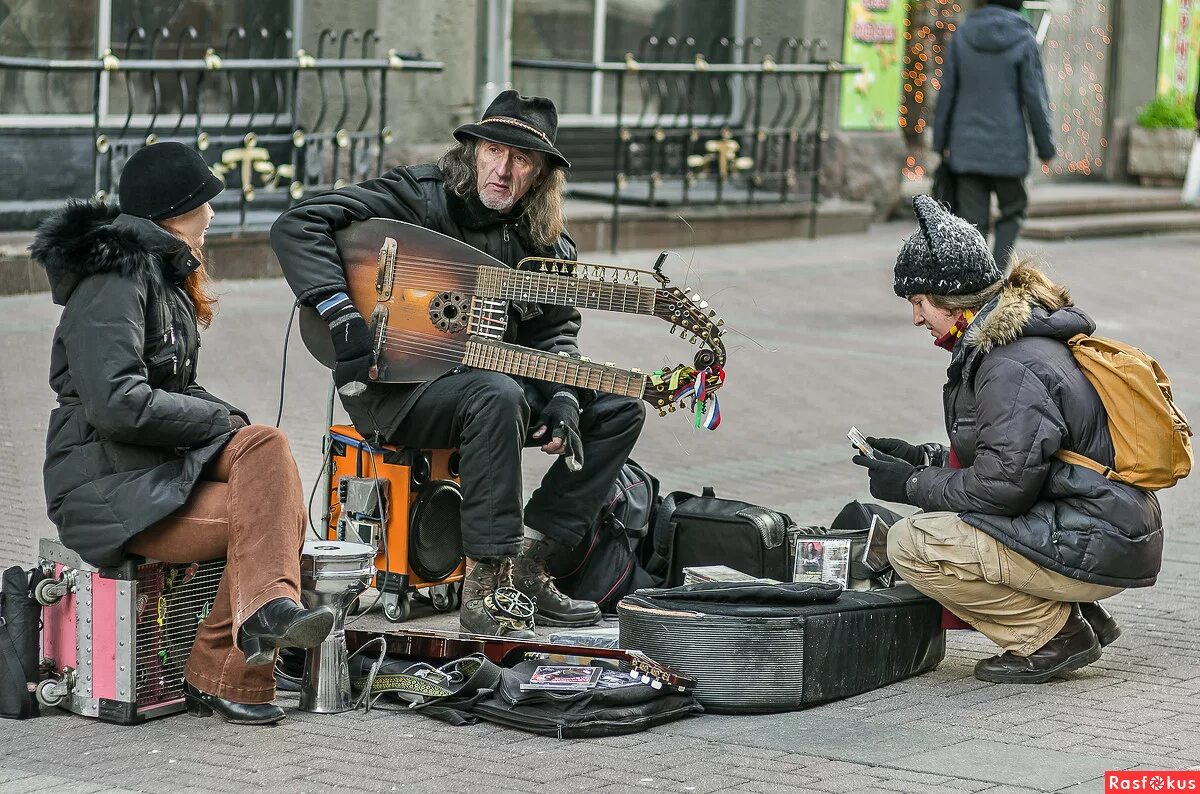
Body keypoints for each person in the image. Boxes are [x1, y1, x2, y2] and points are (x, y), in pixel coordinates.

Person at [270, 90, 646, 637]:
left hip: (499, 391)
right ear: (473, 152)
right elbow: (298, 225)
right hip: (400, 392)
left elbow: (555, 334)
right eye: (494, 151)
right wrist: (342, 315)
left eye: (521, 160)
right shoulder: (422, 199)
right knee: (497, 392)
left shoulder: (549, 246)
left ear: (540, 175)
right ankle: (483, 587)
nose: (503, 169)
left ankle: (527, 567)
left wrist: (564, 395)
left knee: (618, 408)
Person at [32, 142, 335, 724]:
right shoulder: (112, 281)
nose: (213, 214)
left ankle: (265, 612)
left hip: (153, 474)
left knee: (266, 448)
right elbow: (116, 403)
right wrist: (219, 424)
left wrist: (232, 423)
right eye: (205, 202)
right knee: (270, 510)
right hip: (105, 489)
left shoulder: (158, 276)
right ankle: (235, 659)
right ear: (175, 210)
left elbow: (175, 390)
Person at [853, 196, 1163, 684]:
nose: (916, 318)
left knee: (910, 542)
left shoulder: (1007, 364)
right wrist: (921, 458)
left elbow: (1003, 488)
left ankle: (1053, 634)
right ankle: (1074, 613)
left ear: (952, 298)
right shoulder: (1014, 345)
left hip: (1095, 538)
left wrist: (912, 484)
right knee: (942, 514)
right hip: (1104, 528)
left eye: (918, 302)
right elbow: (1016, 456)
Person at [933, 0, 1055, 266]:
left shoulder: (963, 35)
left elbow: (947, 93)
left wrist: (939, 141)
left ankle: (975, 287)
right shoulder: (1024, 38)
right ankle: (996, 278)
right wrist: (1046, 148)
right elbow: (1035, 98)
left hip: (966, 149)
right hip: (1008, 150)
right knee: (1013, 211)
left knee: (972, 224)